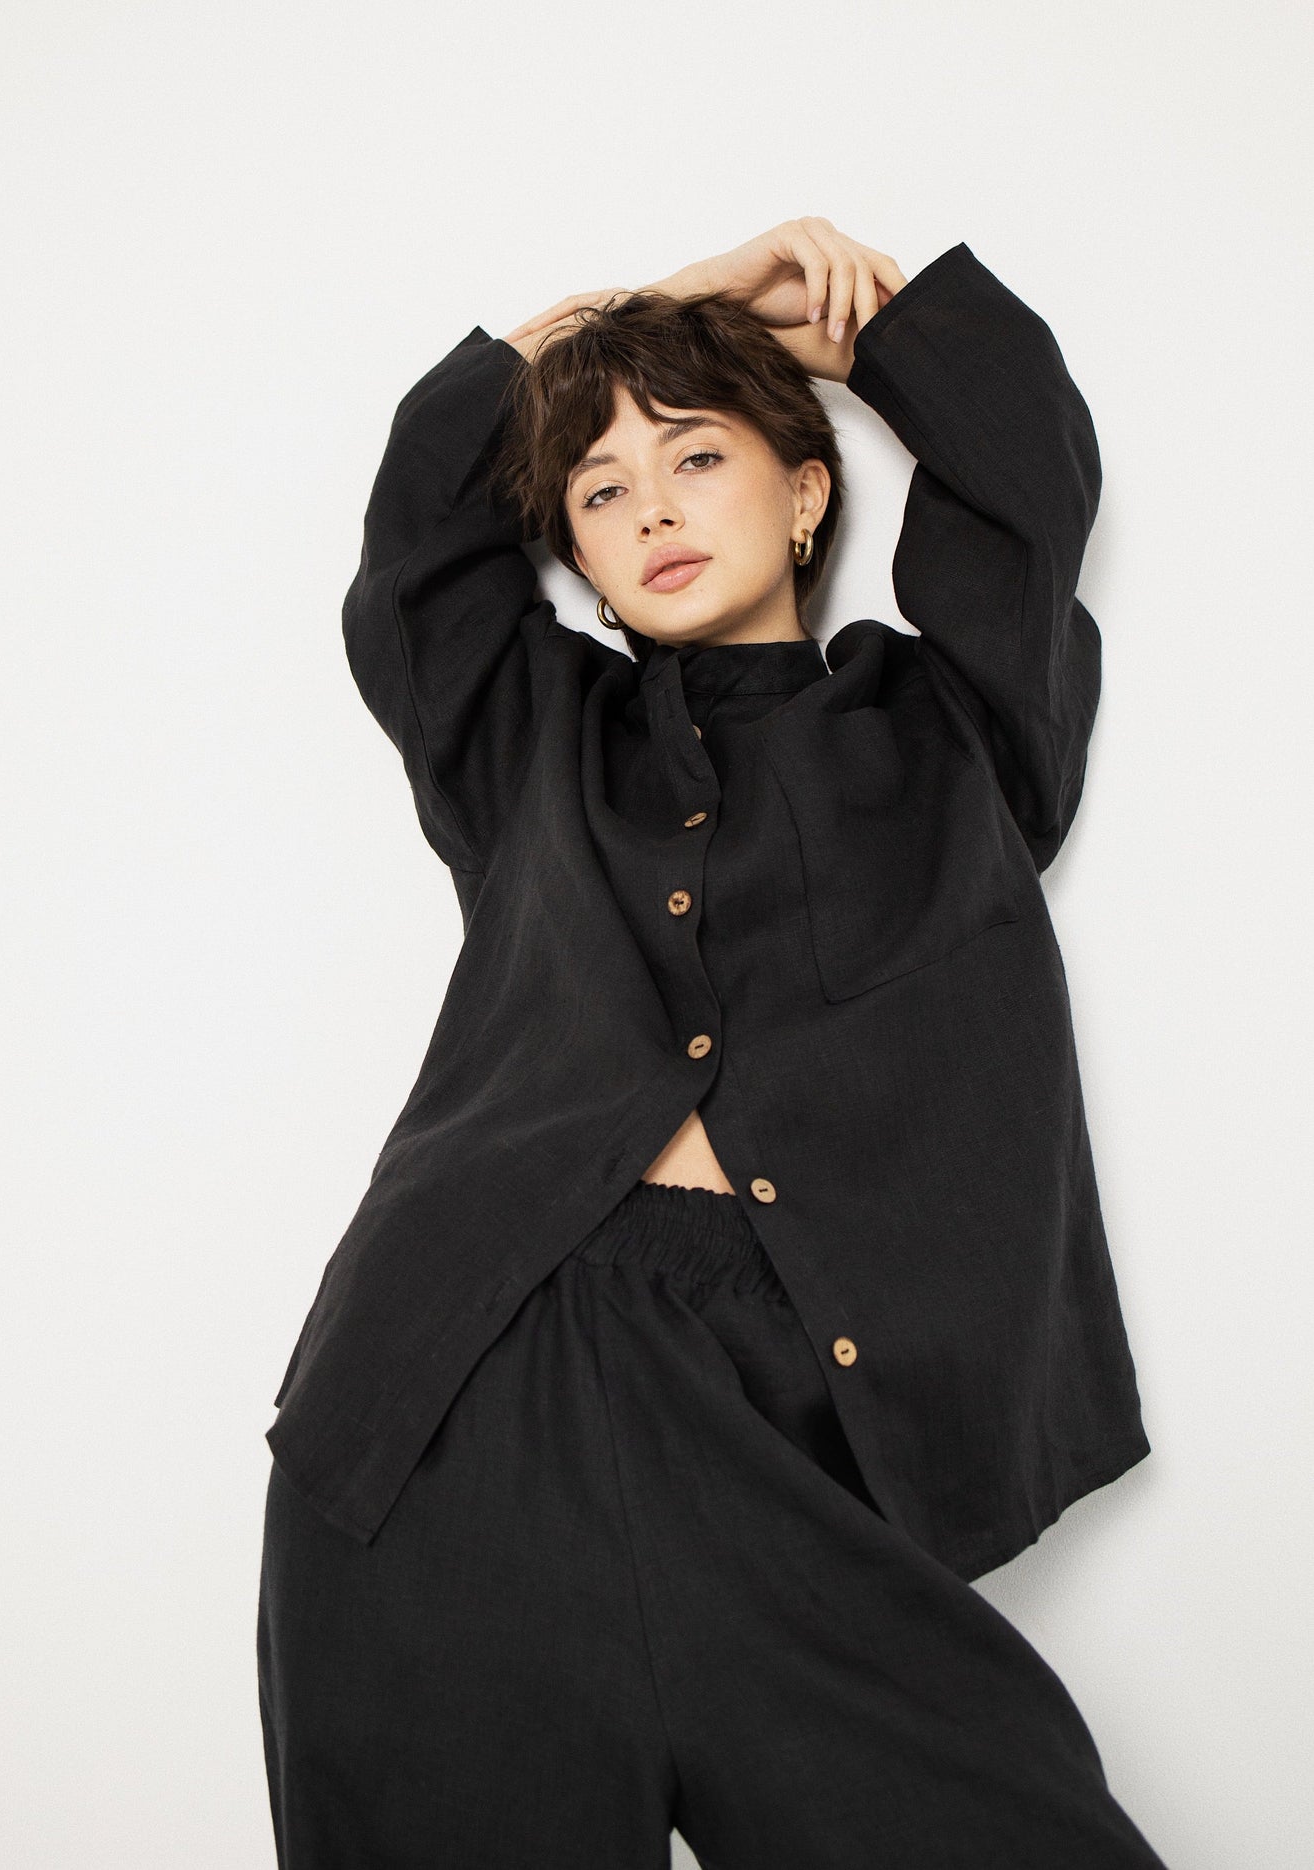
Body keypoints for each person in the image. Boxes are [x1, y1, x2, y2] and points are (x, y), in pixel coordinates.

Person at [257, 217, 1168, 1867]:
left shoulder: (952, 736)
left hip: (791, 1416)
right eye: (599, 491)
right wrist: (648, 311)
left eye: (694, 455)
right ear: (576, 555)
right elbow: (419, 537)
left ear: (805, 491)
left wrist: (865, 338)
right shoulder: (528, 747)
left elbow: (1025, 478)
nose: (650, 508)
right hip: (464, 1390)